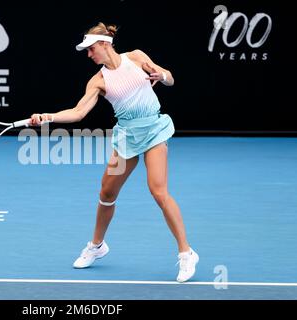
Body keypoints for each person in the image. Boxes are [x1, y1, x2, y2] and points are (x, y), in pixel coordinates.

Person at [30, 22, 199, 282]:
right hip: (128, 136)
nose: (88, 54)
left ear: (105, 44)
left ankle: (186, 253)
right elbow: (78, 113)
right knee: (106, 192)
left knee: (158, 191)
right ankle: (97, 246)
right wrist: (47, 117)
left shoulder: (136, 57)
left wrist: (161, 76)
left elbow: (170, 78)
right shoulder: (98, 81)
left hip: (154, 130)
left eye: (90, 49)